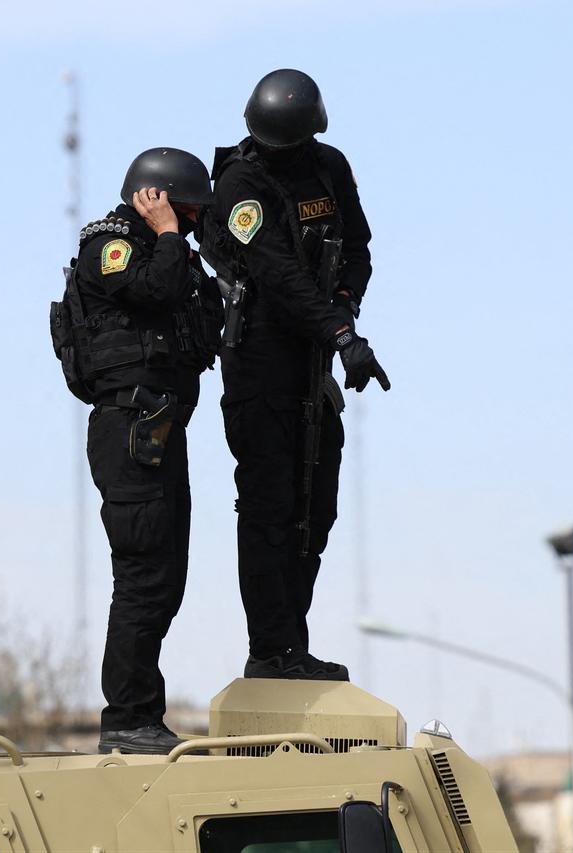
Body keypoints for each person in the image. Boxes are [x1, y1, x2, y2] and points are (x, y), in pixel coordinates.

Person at [204, 69, 390, 682]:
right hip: (261, 356)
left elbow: (358, 246)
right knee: (270, 506)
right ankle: (272, 650)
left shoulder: (330, 167)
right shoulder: (239, 186)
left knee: (318, 502)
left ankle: (294, 644)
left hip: (313, 357)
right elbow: (279, 278)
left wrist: (344, 304)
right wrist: (342, 336)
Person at [67, 148, 222, 753]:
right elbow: (155, 290)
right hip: (128, 429)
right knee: (141, 576)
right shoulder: (113, 248)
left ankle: (139, 717)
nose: (189, 221)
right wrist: (165, 234)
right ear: (154, 199)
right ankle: (128, 720)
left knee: (165, 577)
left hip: (158, 430)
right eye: (182, 209)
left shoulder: (172, 253)